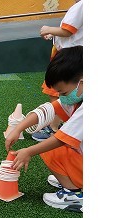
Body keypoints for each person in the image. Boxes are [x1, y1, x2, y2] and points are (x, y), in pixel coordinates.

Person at [4, 45, 83, 213]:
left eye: (63, 92)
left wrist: (29, 151)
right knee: (54, 147)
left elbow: (61, 139)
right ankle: (72, 179)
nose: (61, 97)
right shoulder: (78, 95)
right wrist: (18, 128)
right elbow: (48, 109)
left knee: (51, 148)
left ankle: (74, 194)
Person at [32, 0, 83, 142]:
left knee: (57, 92)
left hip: (70, 58)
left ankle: (54, 127)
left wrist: (48, 29)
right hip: (73, 56)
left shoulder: (82, 5)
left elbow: (68, 30)